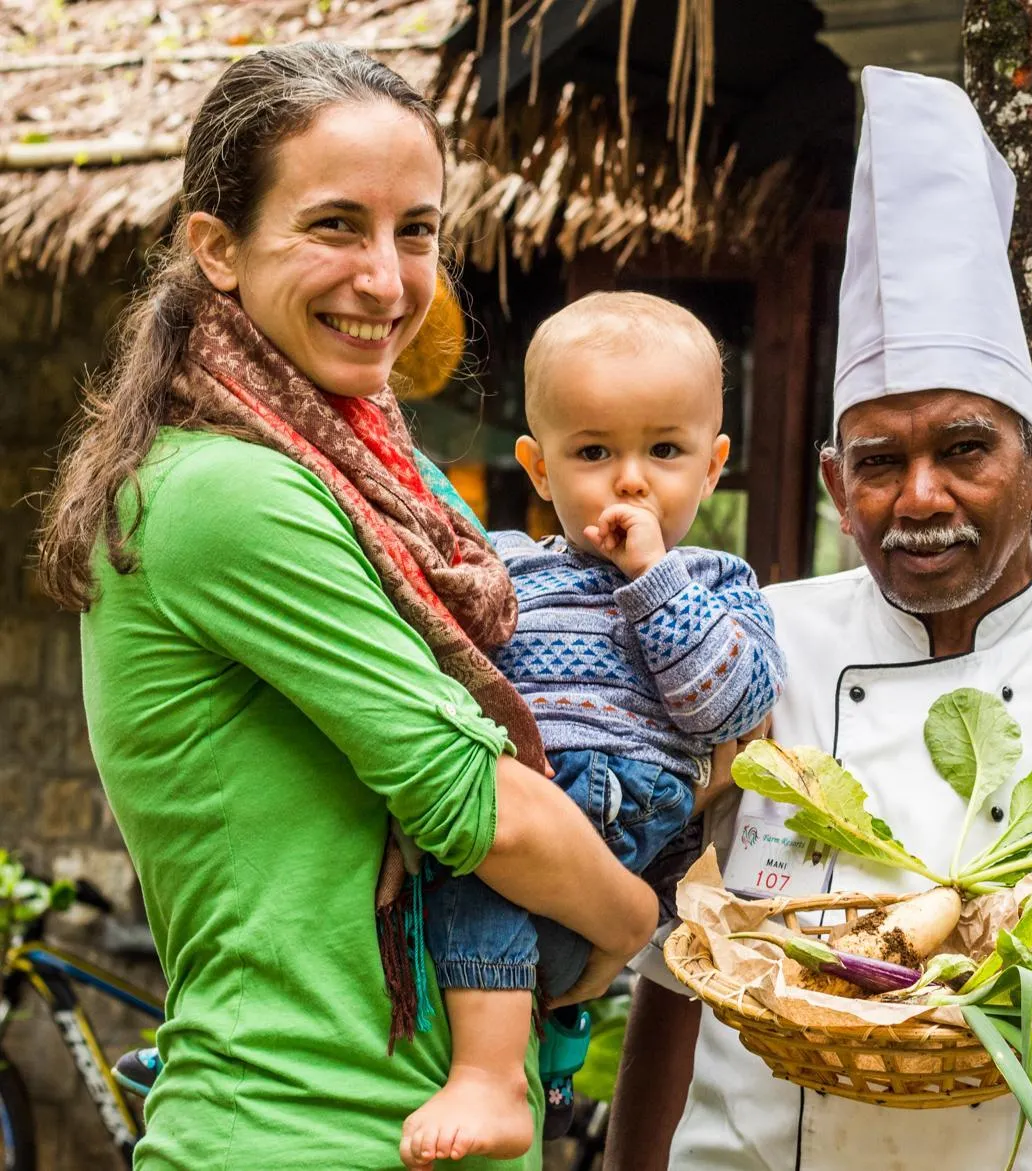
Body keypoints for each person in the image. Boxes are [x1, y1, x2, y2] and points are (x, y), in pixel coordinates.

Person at [606, 66, 1032, 1171]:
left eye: (965, 449)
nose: (920, 497)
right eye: (880, 462)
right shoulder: (748, 645)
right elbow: (676, 974)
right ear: (837, 486)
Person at [36, 43, 658, 1171]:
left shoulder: (386, 482)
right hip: (299, 1130)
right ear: (217, 248)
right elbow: (477, 804)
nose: (386, 280)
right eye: (335, 225)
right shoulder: (228, 490)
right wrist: (628, 920)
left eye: (415, 230)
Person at [402, 292, 785, 1164]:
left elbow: (729, 707)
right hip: (530, 783)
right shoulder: (510, 564)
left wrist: (652, 575)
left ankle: (491, 1079)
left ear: (714, 466)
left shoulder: (717, 584)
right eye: (594, 452)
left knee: (478, 873)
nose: (631, 480)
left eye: (664, 451)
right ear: (539, 469)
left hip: (618, 794)